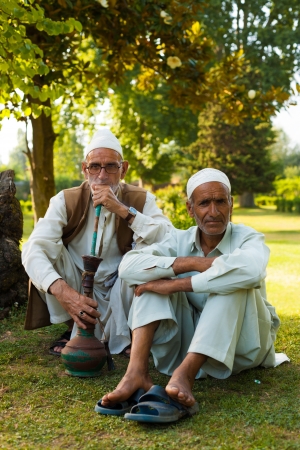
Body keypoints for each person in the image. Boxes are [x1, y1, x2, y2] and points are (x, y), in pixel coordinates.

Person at [96, 168, 280, 423]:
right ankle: (136, 374)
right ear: (190, 209)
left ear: (231, 205)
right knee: (151, 280)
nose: (213, 212)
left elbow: (250, 271)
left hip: (242, 348)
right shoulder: (178, 239)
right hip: (183, 343)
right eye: (204, 203)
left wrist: (176, 285)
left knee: (231, 282)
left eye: (220, 202)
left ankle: (184, 376)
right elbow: (128, 267)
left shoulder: (247, 237)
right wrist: (188, 263)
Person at [22, 128, 173, 356]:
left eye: (111, 166)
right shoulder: (65, 200)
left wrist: (124, 210)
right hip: (77, 284)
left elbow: (170, 239)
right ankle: (75, 328)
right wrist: (64, 293)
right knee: (42, 253)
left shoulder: (140, 199)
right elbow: (32, 248)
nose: (102, 175)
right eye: (95, 166)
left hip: (122, 290)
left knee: (149, 255)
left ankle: (129, 333)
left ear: (124, 169)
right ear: (85, 169)